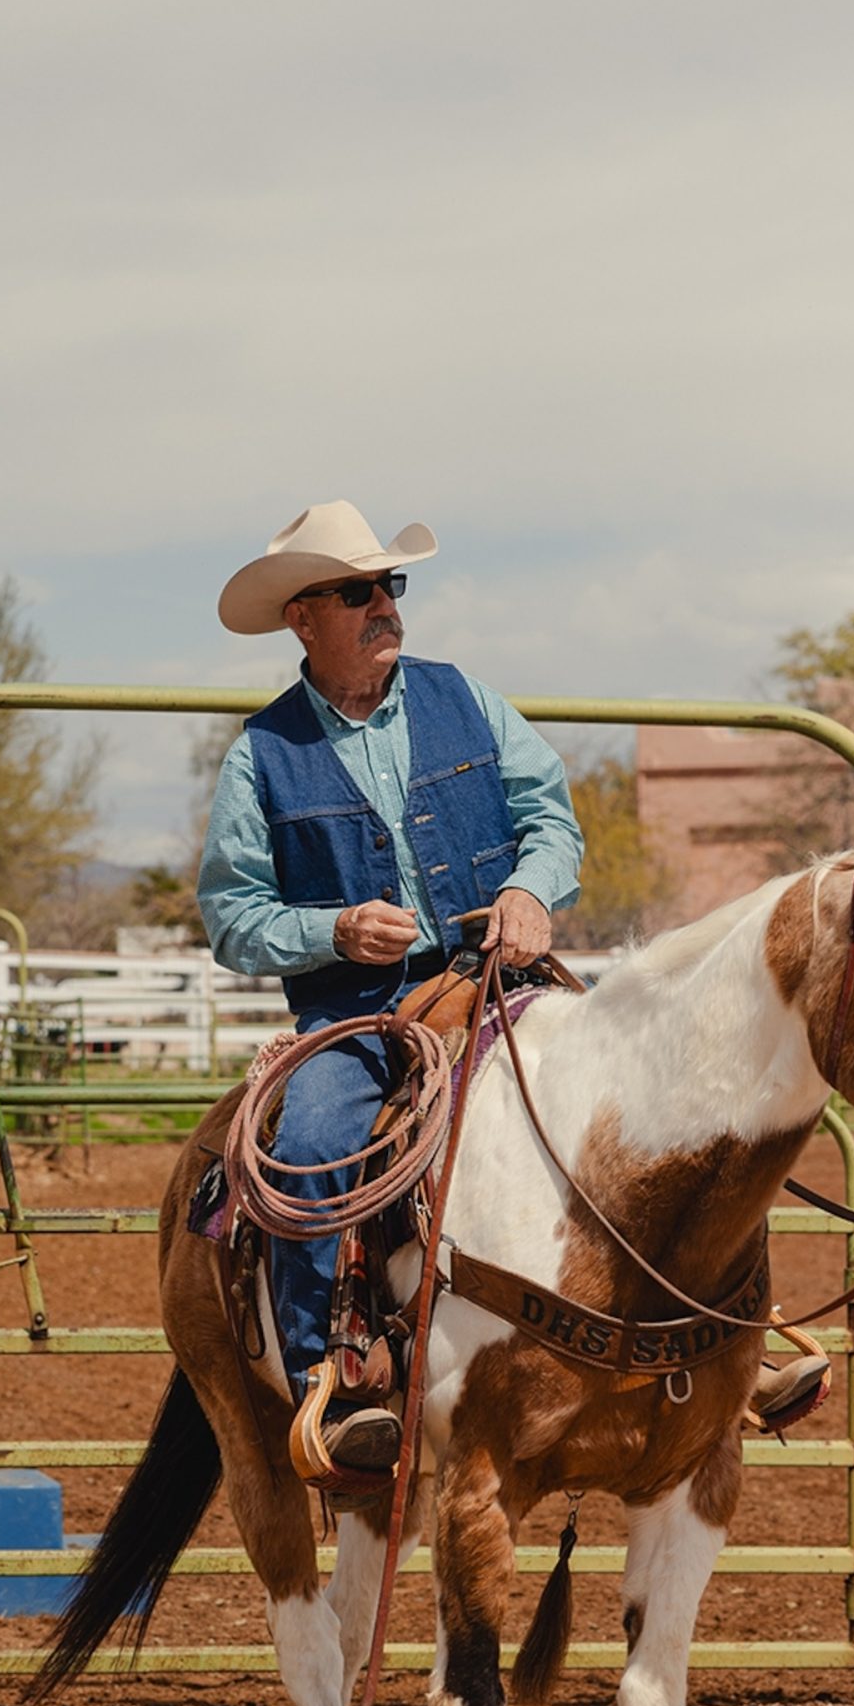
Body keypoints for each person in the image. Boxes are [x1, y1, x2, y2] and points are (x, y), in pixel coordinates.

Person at [198, 501, 585, 1471]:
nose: (384, 605)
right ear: (303, 617)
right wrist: (330, 928)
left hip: (500, 975)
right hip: (354, 1011)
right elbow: (232, 913)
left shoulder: (468, 699)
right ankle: (330, 1379)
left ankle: (725, 1340)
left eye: (390, 585)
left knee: (634, 1097)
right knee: (318, 1146)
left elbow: (552, 819)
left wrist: (531, 891)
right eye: (357, 591)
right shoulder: (261, 755)